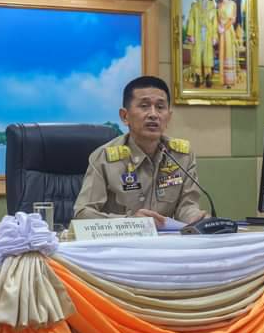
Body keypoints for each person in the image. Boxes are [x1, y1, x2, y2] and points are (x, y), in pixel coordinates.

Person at [73, 76, 207, 227]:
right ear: (125, 116)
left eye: (160, 107)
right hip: (122, 240)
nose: (153, 114)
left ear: (168, 117)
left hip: (166, 240)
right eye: (144, 106)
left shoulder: (182, 156)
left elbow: (187, 206)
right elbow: (82, 214)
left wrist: (194, 217)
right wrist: (130, 222)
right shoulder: (104, 158)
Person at [185, 0, 218, 88]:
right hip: (198, 33)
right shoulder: (195, 6)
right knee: (198, 55)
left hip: (208, 33)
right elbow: (191, 20)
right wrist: (191, 35)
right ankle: (198, 77)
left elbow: (214, 22)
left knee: (208, 55)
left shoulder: (212, 6)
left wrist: (214, 36)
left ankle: (208, 77)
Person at [217, 0, 239, 88]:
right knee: (223, 53)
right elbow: (217, 19)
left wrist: (224, 28)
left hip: (228, 31)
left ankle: (230, 81)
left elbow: (233, 19)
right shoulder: (219, 5)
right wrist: (219, 26)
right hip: (221, 32)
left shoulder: (233, 4)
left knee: (229, 52)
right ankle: (224, 80)